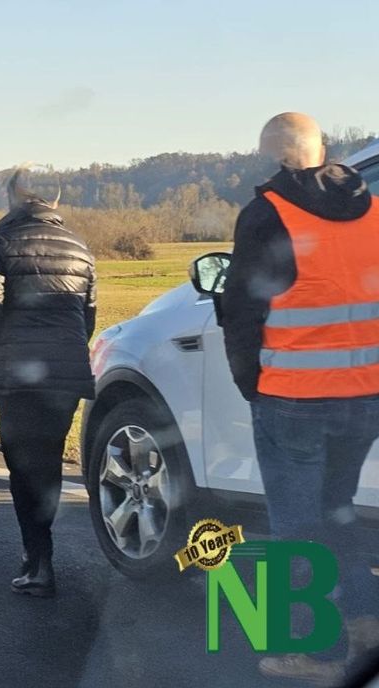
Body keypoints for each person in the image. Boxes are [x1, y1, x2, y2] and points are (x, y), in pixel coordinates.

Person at [220, 112, 379, 684]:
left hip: (292, 399)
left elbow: (241, 311)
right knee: (337, 511)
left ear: (274, 155)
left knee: (294, 528)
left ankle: (315, 652)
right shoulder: (373, 210)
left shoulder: (267, 213)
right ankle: (365, 623)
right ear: (322, 150)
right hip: (364, 398)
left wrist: (252, 386)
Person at [0, 166, 96, 597]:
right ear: (55, 199)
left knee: (22, 466)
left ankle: (38, 562)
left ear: (13, 196)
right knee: (48, 461)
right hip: (65, 370)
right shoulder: (78, 246)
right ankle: (39, 557)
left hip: (16, 370)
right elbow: (87, 316)